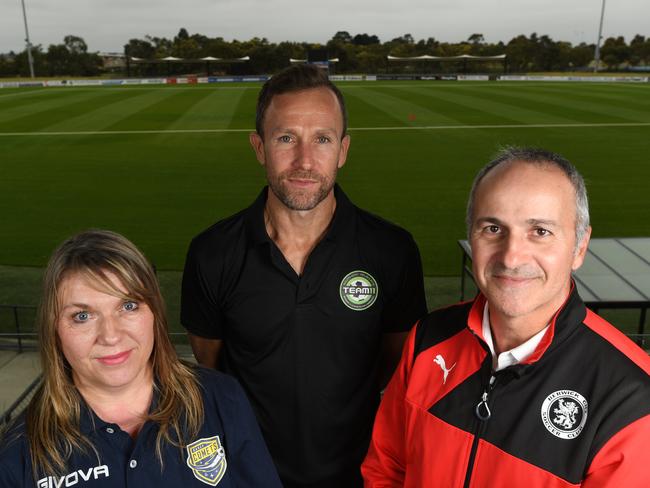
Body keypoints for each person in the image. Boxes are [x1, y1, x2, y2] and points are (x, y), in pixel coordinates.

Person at [181, 64, 427, 487]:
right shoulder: (212, 253)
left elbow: (393, 363)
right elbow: (213, 365)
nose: (304, 161)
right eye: (285, 138)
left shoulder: (392, 250)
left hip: (360, 476)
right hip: (250, 474)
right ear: (259, 147)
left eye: (322, 139)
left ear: (343, 150)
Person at [362, 147, 650, 487]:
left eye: (540, 231)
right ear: (472, 235)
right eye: (493, 229)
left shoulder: (631, 396)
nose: (511, 257)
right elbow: (387, 469)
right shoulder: (428, 339)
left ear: (579, 247)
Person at [0, 230, 281, 488]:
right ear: (55, 330)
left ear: (154, 313)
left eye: (128, 306)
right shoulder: (19, 453)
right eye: (82, 316)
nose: (110, 335)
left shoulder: (221, 398)